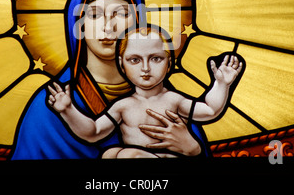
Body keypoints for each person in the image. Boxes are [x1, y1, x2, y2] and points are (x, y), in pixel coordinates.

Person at [11, 0, 206, 159]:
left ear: (138, 21)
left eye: (121, 14)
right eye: (94, 15)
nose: (108, 27)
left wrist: (193, 148)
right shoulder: (50, 105)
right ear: (79, 25)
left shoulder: (166, 101)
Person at [48, 25, 243, 158]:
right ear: (121, 65)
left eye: (156, 58)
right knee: (117, 154)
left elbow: (210, 110)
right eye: (134, 60)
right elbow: (93, 132)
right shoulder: (123, 106)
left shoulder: (173, 100)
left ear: (169, 63)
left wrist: (222, 85)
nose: (146, 68)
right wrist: (67, 109)